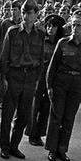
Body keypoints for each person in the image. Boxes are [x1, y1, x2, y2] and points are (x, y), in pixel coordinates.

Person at [45, 10, 81, 161]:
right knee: (56, 117)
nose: (75, 28)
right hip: (61, 82)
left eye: (79, 25)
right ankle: (52, 149)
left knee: (69, 118)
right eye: (73, 25)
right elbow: (52, 66)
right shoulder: (62, 43)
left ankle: (62, 149)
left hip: (78, 84)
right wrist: (49, 86)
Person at [0, 0, 45, 160]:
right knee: (7, 114)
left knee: (24, 115)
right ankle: (4, 146)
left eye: (29, 13)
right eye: (24, 12)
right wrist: (3, 78)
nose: (25, 16)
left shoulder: (40, 34)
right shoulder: (12, 32)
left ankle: (14, 146)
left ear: (36, 15)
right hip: (14, 75)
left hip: (30, 77)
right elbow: (4, 56)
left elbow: (41, 58)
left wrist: (38, 78)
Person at [27, 14, 66, 147]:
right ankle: (31, 133)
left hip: (54, 77)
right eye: (49, 25)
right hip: (39, 74)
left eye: (54, 26)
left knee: (46, 106)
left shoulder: (61, 43)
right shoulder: (41, 40)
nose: (51, 29)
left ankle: (39, 134)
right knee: (34, 105)